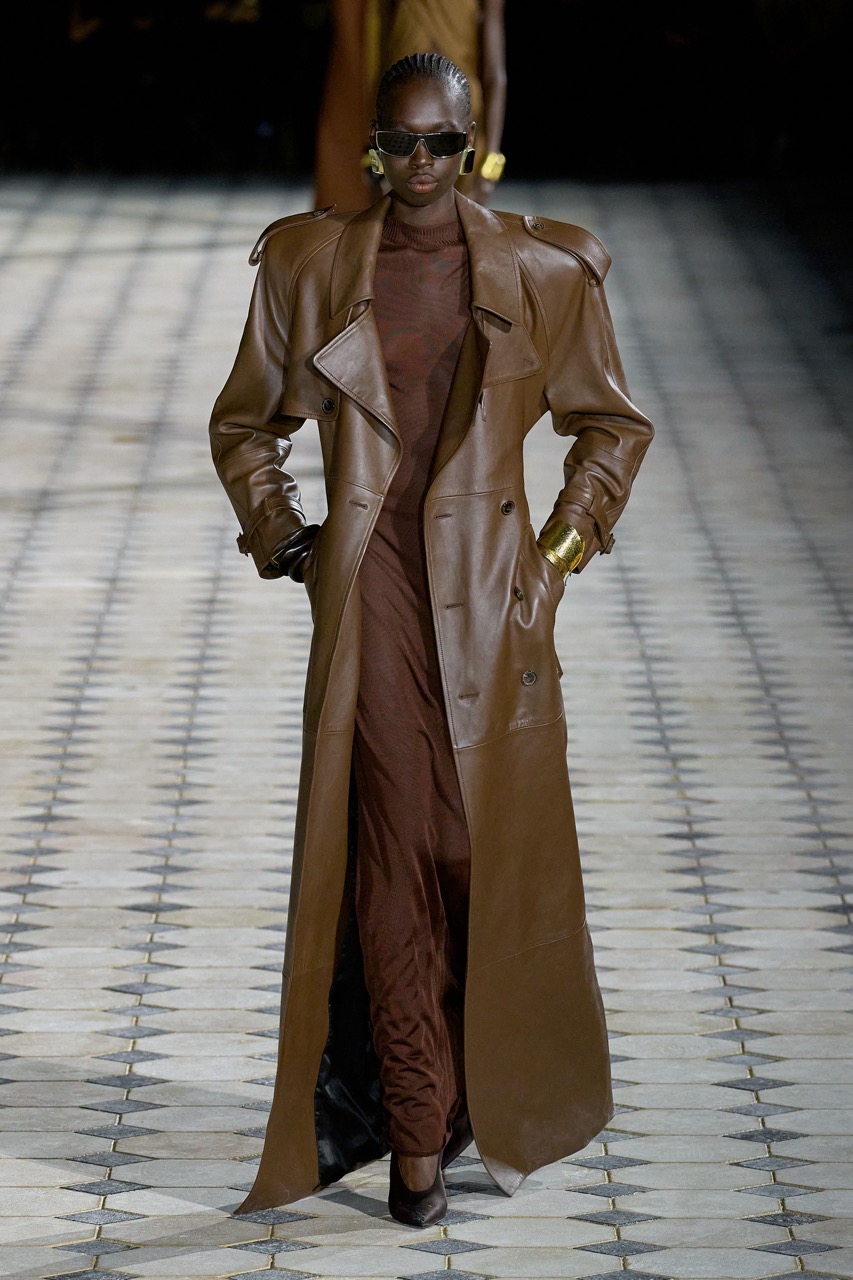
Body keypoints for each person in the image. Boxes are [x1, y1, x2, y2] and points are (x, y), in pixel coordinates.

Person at [209, 52, 654, 1229]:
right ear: (372, 145)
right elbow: (246, 423)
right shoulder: (309, 264)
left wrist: (554, 560)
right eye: (398, 142)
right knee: (393, 855)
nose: (418, 164)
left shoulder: (545, 268)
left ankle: (453, 1094)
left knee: (471, 857)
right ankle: (416, 1134)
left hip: (493, 603)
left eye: (440, 143)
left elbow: (611, 425)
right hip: (372, 601)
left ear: (471, 143)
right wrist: (287, 539)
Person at [313, 0, 506, 210]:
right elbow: (381, 64)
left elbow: (494, 74)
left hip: (460, 123)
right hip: (403, 120)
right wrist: (373, 150)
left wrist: (491, 163)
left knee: (457, 220)